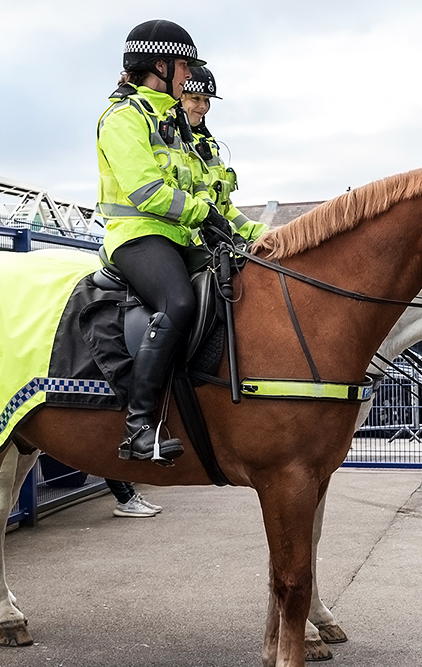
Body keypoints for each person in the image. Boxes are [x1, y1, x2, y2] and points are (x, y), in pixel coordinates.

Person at [96, 20, 231, 464]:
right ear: (161, 65)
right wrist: (201, 214)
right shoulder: (123, 118)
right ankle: (138, 427)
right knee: (179, 304)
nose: (189, 73)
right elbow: (146, 191)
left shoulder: (171, 121)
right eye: (184, 64)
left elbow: (209, 198)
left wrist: (263, 237)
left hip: (178, 236)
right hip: (137, 237)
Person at [180, 66, 267, 243]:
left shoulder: (208, 144)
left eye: (207, 100)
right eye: (195, 98)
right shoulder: (171, 141)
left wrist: (262, 232)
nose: (203, 107)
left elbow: (224, 209)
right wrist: (227, 236)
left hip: (216, 236)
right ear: (177, 99)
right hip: (189, 241)